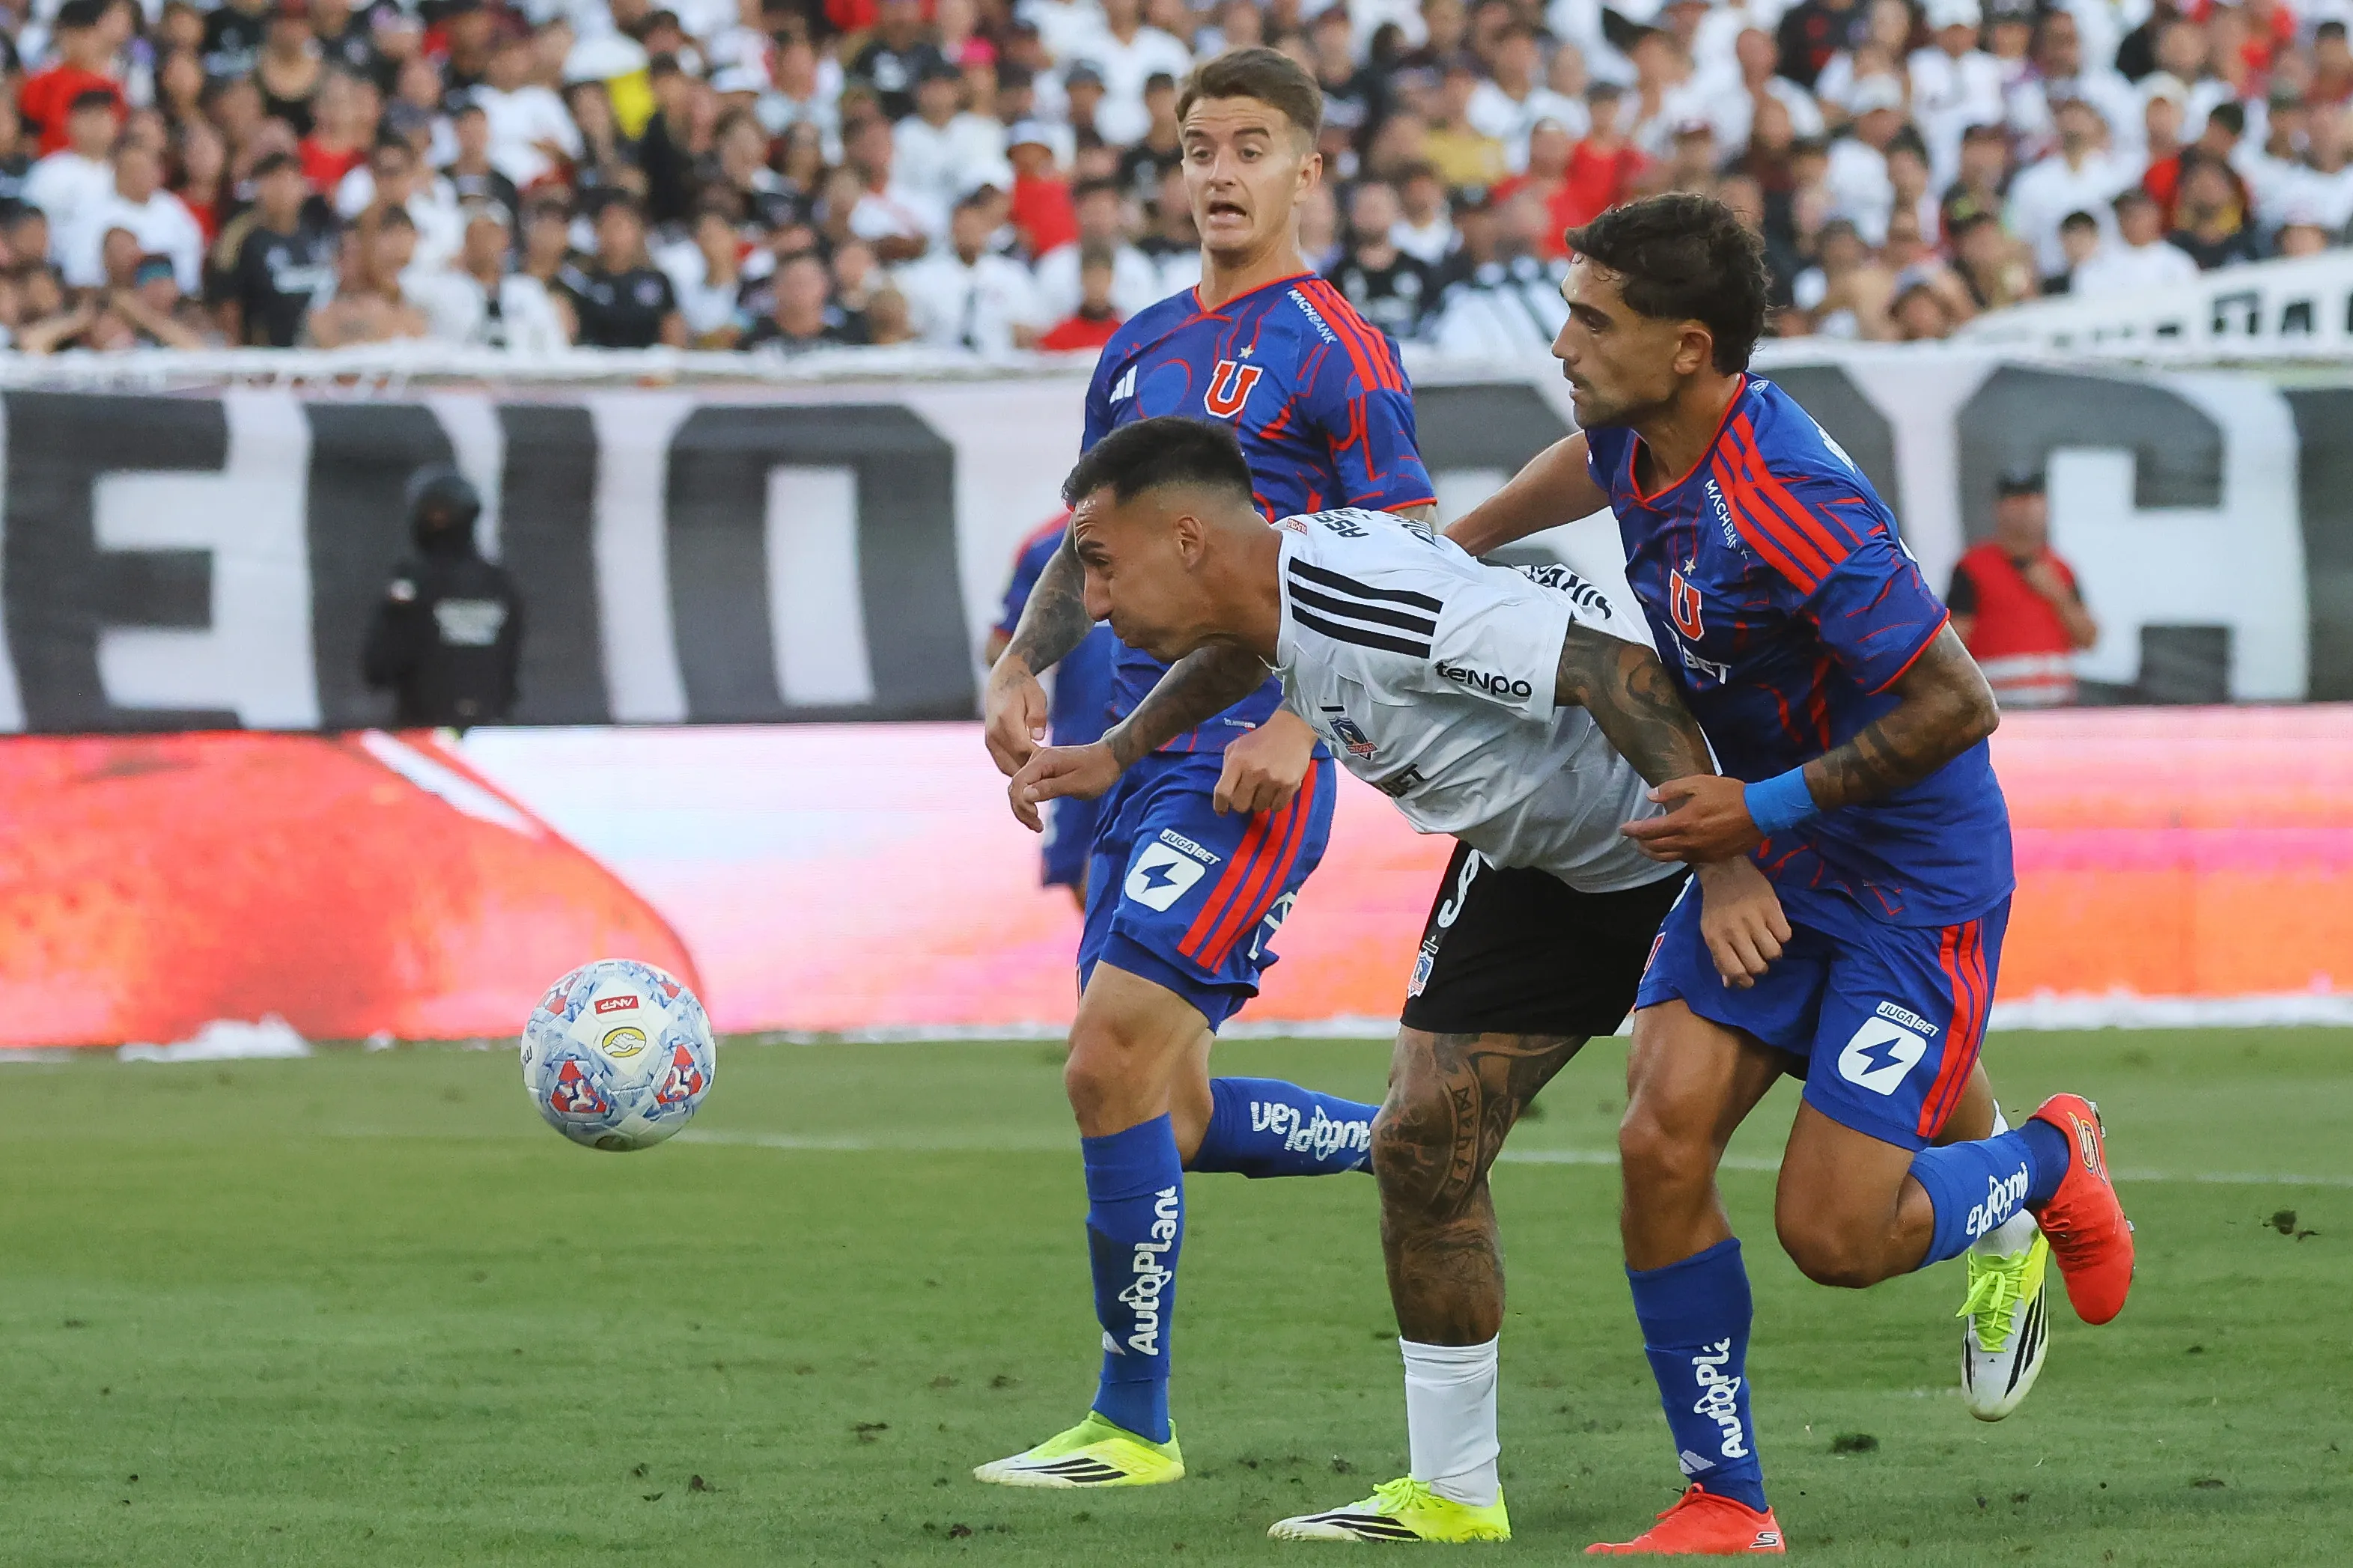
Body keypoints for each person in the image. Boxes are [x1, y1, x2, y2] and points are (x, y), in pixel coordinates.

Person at [1446, 195, 2135, 1552]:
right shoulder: (1636, 428)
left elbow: (1957, 705)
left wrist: (1751, 812)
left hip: (1905, 879)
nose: (1562, 342)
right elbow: (1586, 463)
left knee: (1834, 1235)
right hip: (1770, 846)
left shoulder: (1792, 499)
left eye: (1593, 320)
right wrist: (1452, 547)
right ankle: (1726, 1502)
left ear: (1689, 348)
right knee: (1655, 1140)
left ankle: (2048, 1156)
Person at [1005, 415, 1789, 1543]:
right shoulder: (1272, 589)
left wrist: (1719, 865)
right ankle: (1455, 1491)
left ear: (1184, 538)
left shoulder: (1362, 591)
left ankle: (2031, 1172)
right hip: (1536, 865)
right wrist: (1121, 748)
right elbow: (1252, 646)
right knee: (1422, 1142)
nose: (1096, 598)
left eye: (1098, 561)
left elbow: (1613, 670)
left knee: (1844, 1187)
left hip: (1668, 833)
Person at [975, 46, 1436, 1492]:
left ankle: (1131, 1423)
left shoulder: (1336, 348)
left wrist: (1303, 718)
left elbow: (1408, 551)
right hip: (1123, 757)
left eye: (1249, 145)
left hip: (1241, 763)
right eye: (1196, 147)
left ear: (1310, 169)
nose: (1218, 171)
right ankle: (1409, 1143)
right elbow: (1089, 543)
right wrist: (1019, 659)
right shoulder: (1138, 349)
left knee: (1103, 1057)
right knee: (1157, 1108)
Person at [987, 513, 1117, 908]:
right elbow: (1002, 647)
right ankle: (1106, 962)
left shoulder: (1187, 529)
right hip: (1081, 734)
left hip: (1171, 735)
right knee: (1081, 865)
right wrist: (1016, 679)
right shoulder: (1047, 546)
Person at [361, 470, 523, 729]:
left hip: (423, 731)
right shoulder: (500, 585)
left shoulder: (413, 584)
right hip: (491, 733)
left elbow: (379, 666)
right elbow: (510, 669)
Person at [1949, 468, 2098, 707]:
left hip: (2058, 706)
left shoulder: (2060, 569)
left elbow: (2089, 639)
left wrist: (2057, 595)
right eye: (2015, 500)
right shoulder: (1973, 568)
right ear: (1999, 508)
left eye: (2033, 499)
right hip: (1999, 708)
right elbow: (1954, 642)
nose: (2025, 509)